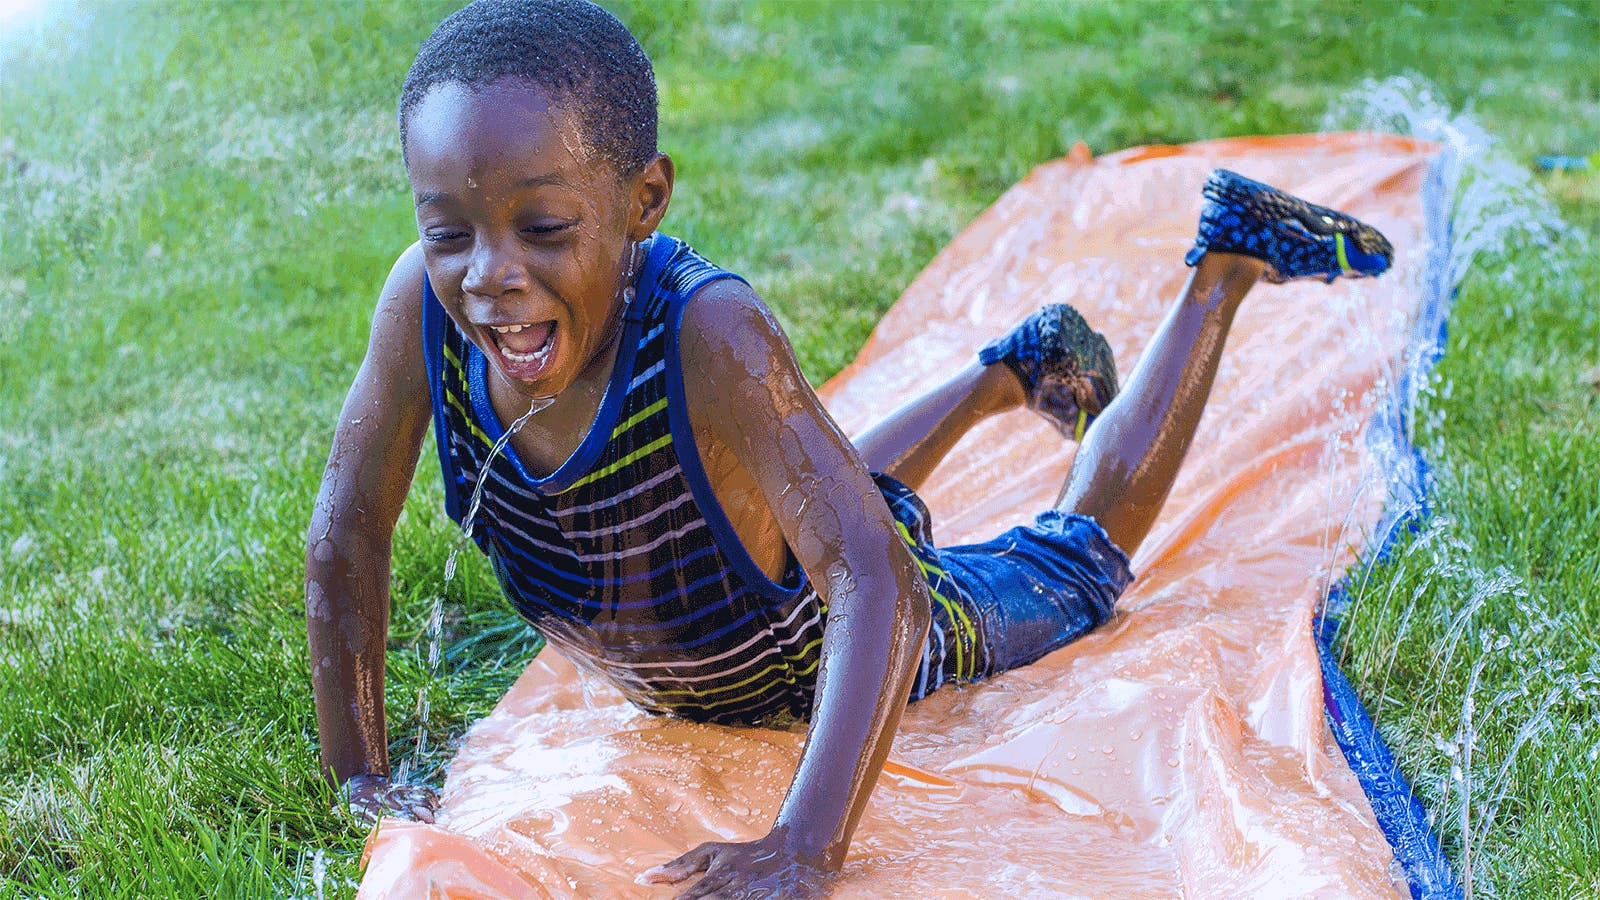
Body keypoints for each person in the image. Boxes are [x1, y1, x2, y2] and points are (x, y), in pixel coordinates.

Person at [303, 1, 1395, 896]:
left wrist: (805, 845)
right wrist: (361, 778)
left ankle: (1225, 267)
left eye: (542, 230)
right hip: (742, 598)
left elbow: (871, 577)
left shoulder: (707, 334)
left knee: (1078, 563)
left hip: (830, 644)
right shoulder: (424, 313)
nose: (489, 274)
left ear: (644, 200)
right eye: (449, 231)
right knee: (805, 490)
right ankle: (1005, 374)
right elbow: (346, 537)